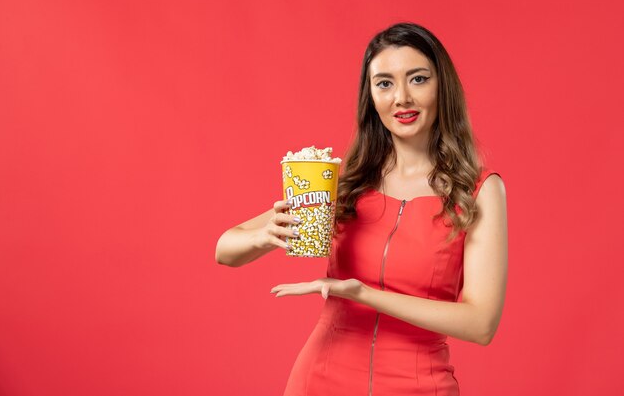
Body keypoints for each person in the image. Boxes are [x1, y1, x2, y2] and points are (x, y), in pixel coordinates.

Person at [215, 22, 508, 396]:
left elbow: (481, 323)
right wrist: (266, 235)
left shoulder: (478, 190)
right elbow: (225, 249)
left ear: (442, 87)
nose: (401, 97)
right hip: (319, 380)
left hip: (418, 385)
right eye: (384, 83)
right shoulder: (345, 183)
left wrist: (362, 294)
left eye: (417, 79)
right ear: (370, 96)